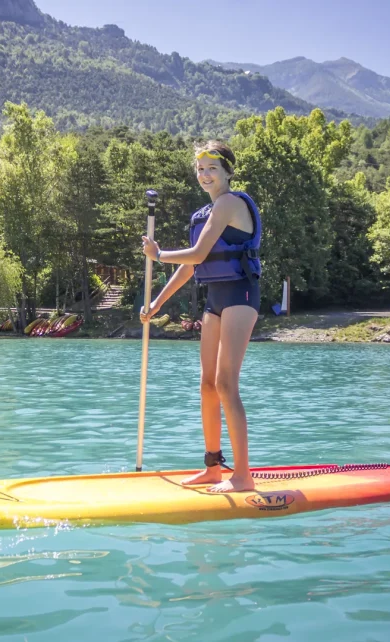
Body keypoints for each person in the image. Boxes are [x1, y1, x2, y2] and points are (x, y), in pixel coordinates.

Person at [140, 140, 261, 493]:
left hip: (241, 295)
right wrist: (158, 302)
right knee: (207, 385)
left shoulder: (229, 204)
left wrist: (158, 253)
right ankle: (212, 467)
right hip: (215, 301)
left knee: (226, 384)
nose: (205, 175)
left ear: (227, 171)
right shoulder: (203, 215)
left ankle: (243, 476)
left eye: (212, 168)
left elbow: (197, 252)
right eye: (200, 169)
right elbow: (193, 267)